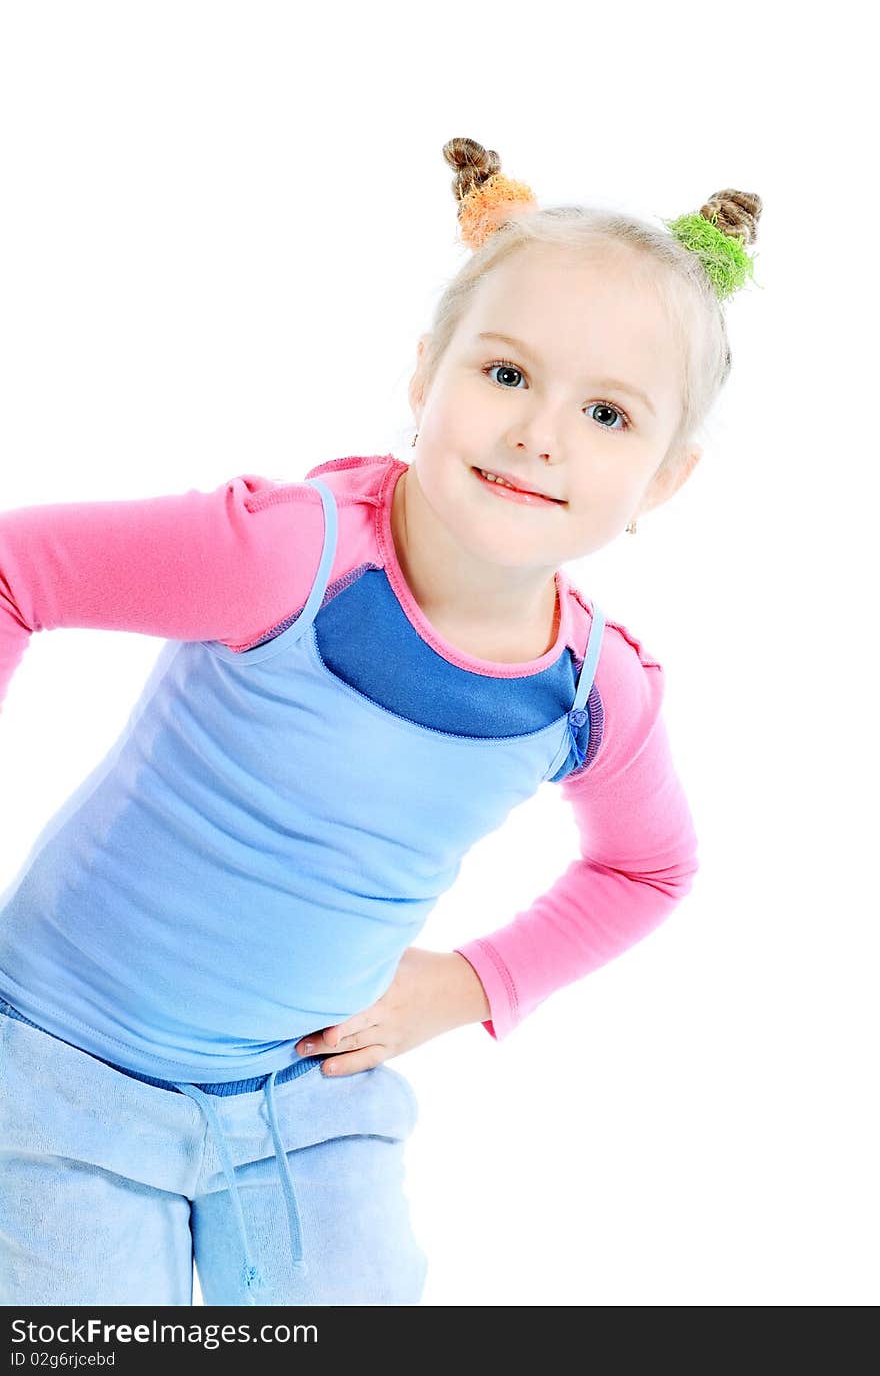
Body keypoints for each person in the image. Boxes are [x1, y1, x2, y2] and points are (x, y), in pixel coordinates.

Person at [0, 136, 761, 1306]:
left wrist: (470, 982)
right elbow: (19, 572)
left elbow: (647, 869)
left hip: (304, 1096)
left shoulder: (595, 691)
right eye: (505, 374)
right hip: (63, 1055)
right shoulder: (285, 554)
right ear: (425, 376)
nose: (539, 432)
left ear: (665, 478)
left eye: (607, 412)